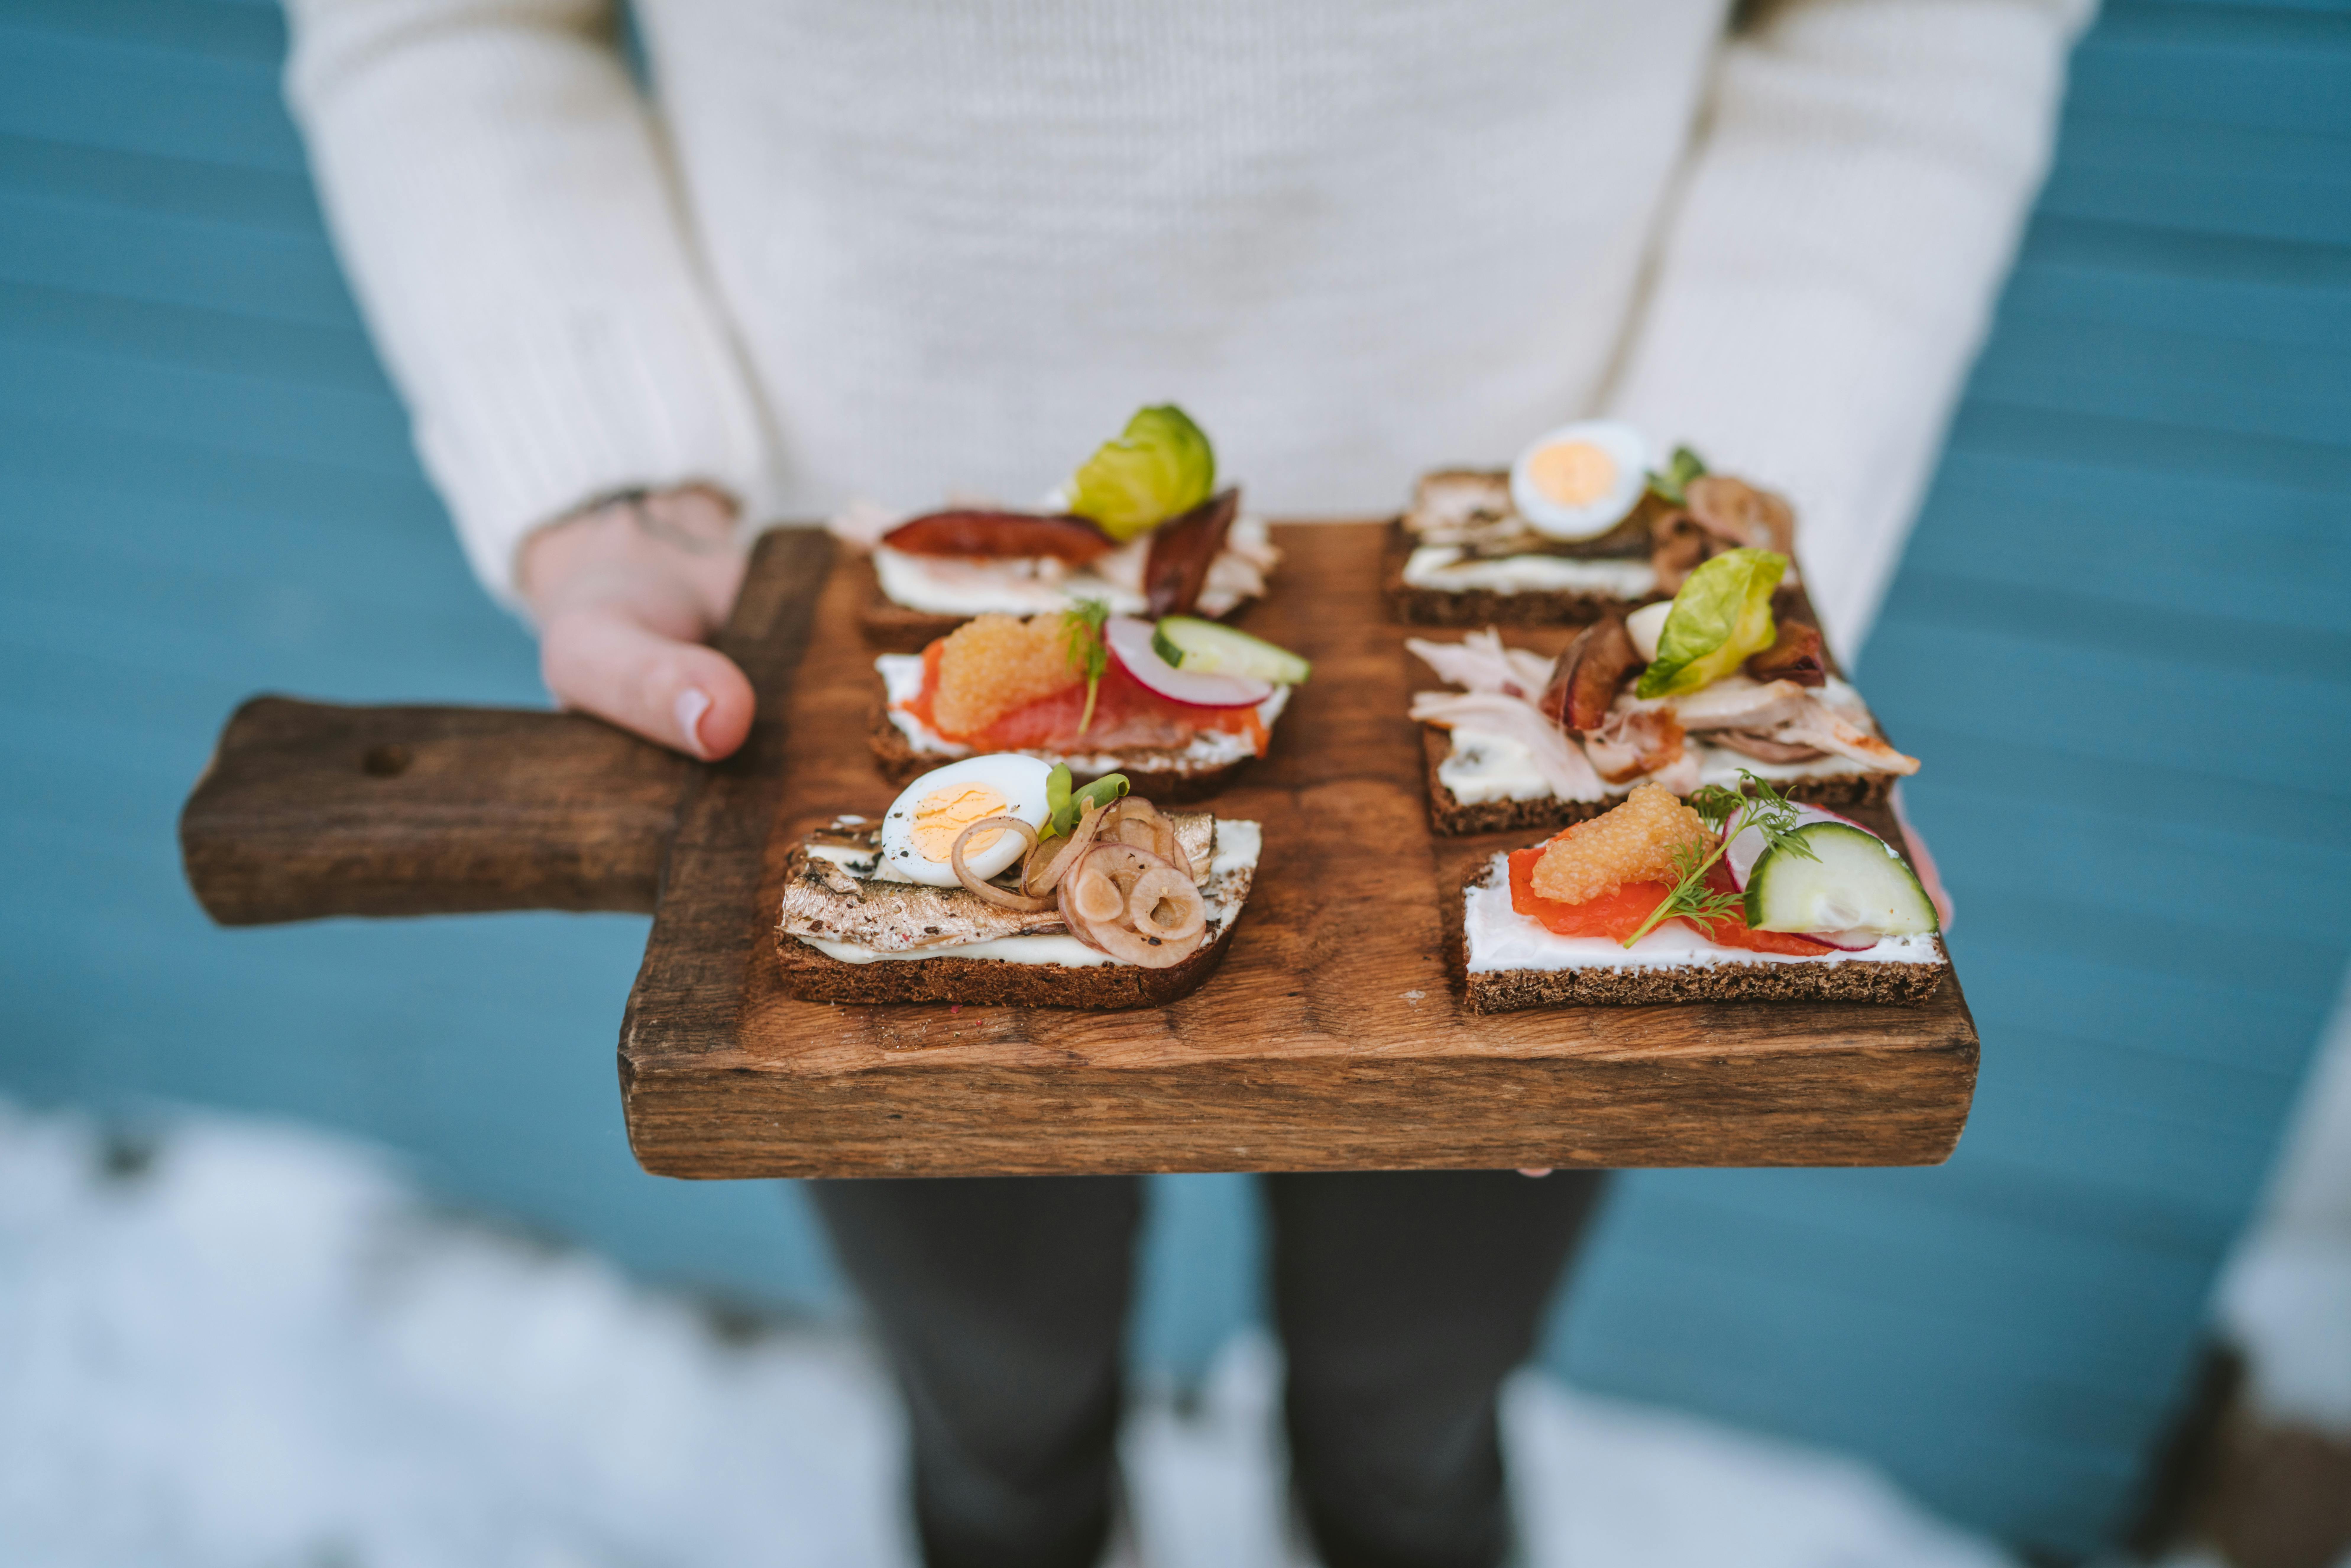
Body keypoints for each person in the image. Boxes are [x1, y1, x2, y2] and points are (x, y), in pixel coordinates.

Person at [282, 3, 2080, 1564]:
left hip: (1553, 664)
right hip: (865, 689)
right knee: (993, 1407)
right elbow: (454, 19)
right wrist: (617, 473)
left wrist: (1720, 535)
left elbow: (1907, 27)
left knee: (1419, 1410)